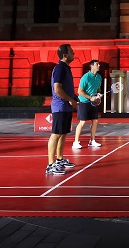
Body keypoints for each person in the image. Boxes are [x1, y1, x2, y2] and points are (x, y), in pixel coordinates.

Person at [46, 43, 78, 175]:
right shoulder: (59, 68)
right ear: (65, 55)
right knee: (56, 134)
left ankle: (59, 159)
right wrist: (70, 100)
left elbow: (66, 89)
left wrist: (76, 98)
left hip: (66, 107)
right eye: (72, 51)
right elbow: (57, 89)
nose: (74, 53)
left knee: (63, 133)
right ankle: (50, 165)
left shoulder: (66, 68)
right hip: (60, 107)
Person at [73, 59, 103, 149]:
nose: (99, 66)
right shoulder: (85, 77)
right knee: (82, 122)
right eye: (97, 64)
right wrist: (90, 97)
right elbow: (79, 91)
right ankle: (75, 142)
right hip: (84, 101)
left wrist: (98, 94)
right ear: (92, 66)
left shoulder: (99, 77)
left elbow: (98, 88)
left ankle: (92, 141)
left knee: (95, 120)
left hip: (93, 102)